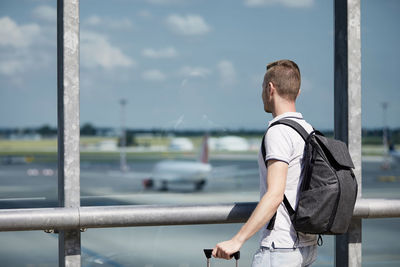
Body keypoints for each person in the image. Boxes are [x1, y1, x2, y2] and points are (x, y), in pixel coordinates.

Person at [212, 60, 317, 266]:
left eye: (262, 88)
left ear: (270, 89)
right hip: (307, 246)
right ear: (298, 92)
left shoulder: (278, 132)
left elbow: (275, 194)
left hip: (280, 248)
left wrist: (237, 240)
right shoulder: (307, 130)